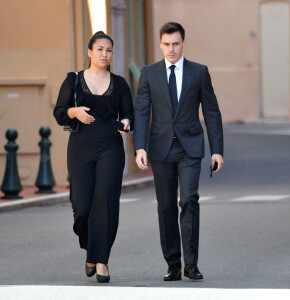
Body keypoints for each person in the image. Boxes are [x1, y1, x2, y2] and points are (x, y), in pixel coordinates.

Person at [134, 22, 224, 281]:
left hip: (190, 148)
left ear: (183, 43)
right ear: (160, 44)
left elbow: (211, 111)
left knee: (189, 201)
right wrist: (140, 146)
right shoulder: (149, 73)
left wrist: (217, 150)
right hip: (160, 148)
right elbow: (141, 111)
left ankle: (191, 264)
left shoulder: (199, 72)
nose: (171, 49)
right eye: (166, 44)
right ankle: (173, 264)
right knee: (165, 207)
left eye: (175, 43)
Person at [53, 31, 134, 283]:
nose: (104, 54)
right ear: (89, 52)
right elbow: (59, 113)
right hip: (80, 148)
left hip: (110, 146)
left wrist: (126, 123)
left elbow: (129, 114)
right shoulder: (73, 81)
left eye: (108, 50)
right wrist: (74, 112)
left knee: (106, 202)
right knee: (82, 205)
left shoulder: (120, 83)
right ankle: (90, 249)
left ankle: (101, 261)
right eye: (99, 49)